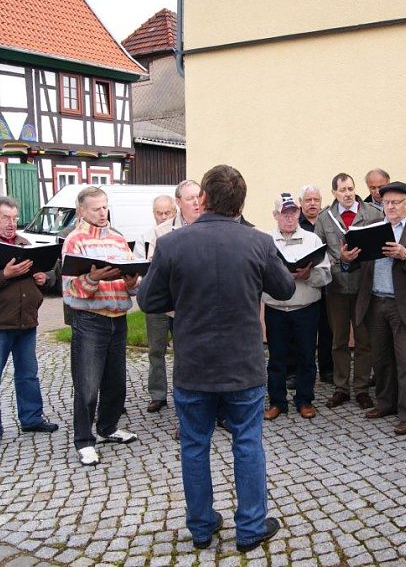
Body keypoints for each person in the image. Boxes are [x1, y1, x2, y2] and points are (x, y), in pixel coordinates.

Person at [138, 164, 294, 552]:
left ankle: (202, 528)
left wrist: (185, 295)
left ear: (203, 199)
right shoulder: (257, 242)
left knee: (194, 445)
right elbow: (285, 287)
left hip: (194, 364)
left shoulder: (174, 244)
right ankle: (251, 527)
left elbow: (148, 300)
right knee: (247, 443)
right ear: (240, 202)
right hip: (243, 364)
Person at [0, 196, 59, 452]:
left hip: (26, 321)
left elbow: (42, 278)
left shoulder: (23, 243)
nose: (11, 223)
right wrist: (3, 275)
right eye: (6, 218)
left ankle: (31, 419)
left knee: (28, 375)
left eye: (15, 218)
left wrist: (43, 278)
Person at [352, 181, 406, 435]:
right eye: (385, 202)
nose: (389, 207)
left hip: (404, 304)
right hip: (375, 301)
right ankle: (386, 403)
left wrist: (405, 255)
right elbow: (360, 263)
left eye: (395, 202)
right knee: (381, 360)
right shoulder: (372, 228)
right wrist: (348, 259)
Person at [62, 186, 139, 466]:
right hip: (90, 321)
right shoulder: (74, 241)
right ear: (81, 210)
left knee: (116, 382)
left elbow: (130, 284)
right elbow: (70, 291)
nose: (102, 213)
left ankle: (108, 427)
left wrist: (132, 284)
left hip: (118, 318)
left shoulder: (119, 240)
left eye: (105, 207)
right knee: (87, 384)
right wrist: (93, 279)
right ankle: (84, 441)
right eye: (96, 208)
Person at [314, 173, 383, 410]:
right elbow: (319, 254)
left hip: (365, 286)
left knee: (365, 340)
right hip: (337, 288)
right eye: (342, 190)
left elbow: (381, 248)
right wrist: (341, 261)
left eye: (351, 188)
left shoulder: (373, 213)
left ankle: (362, 388)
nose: (348, 193)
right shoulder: (324, 218)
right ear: (334, 193)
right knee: (339, 340)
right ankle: (341, 387)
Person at [263, 193, 331, 420]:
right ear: (275, 215)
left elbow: (326, 275)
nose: (290, 218)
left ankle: (304, 399)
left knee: (306, 357)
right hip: (276, 308)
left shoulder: (312, 240)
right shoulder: (266, 242)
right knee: (277, 358)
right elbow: (258, 276)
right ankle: (277, 402)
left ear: (299, 213)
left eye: (293, 212)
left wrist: (309, 273)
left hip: (306, 308)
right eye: (284, 213)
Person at [133, 195, 177, 413]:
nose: (163, 217)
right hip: (157, 302)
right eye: (159, 213)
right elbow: (139, 270)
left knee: (183, 350)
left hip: (178, 302)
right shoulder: (147, 237)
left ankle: (183, 394)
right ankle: (158, 394)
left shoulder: (179, 234)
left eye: (167, 212)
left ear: (174, 212)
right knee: (155, 350)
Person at [299, 185, 334, 382]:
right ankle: (300, 371)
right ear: (301, 202)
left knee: (328, 330)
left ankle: (328, 370)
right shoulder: (296, 224)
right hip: (304, 286)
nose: (312, 204)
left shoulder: (329, 222)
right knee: (304, 333)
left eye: (316, 200)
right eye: (308, 200)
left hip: (327, 285)